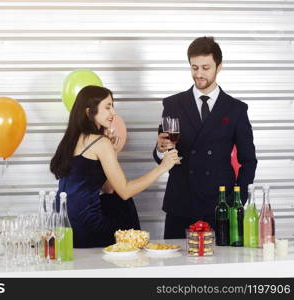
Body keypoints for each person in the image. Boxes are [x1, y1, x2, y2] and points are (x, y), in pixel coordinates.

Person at [154, 36, 257, 239]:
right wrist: (160, 148)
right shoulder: (173, 104)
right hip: (181, 203)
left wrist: (237, 200)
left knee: (223, 267)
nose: (199, 74)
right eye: (194, 67)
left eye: (205, 67)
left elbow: (248, 160)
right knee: (176, 268)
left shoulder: (235, 109)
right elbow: (161, 155)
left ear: (219, 67)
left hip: (220, 204)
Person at [50, 85, 179, 248]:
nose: (114, 113)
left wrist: (114, 152)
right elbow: (124, 191)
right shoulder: (100, 142)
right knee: (124, 204)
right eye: (108, 107)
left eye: (113, 106)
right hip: (87, 225)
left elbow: (109, 189)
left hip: (65, 225)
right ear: (90, 112)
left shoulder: (71, 140)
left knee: (115, 200)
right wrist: (163, 167)